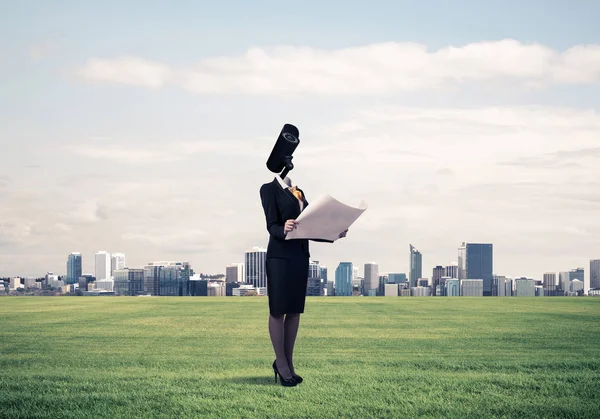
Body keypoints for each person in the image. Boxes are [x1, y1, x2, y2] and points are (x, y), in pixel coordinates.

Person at [259, 174, 347, 387]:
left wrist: (334, 234)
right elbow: (271, 225)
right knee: (278, 310)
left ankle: (289, 363)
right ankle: (280, 363)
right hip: (279, 257)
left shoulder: (299, 192)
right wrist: (283, 228)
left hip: (299, 256)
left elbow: (310, 227)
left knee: (295, 311)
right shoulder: (268, 189)